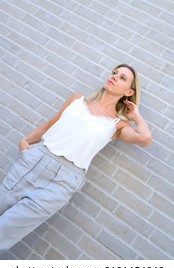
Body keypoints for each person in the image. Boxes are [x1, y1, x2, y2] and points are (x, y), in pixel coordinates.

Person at [0, 64, 151, 253]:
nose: (114, 76)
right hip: (36, 160)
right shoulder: (77, 99)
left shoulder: (117, 125)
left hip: (63, 183)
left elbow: (144, 138)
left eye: (122, 78)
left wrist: (135, 115)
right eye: (114, 73)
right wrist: (25, 141)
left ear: (129, 91)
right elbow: (49, 125)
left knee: (6, 231)